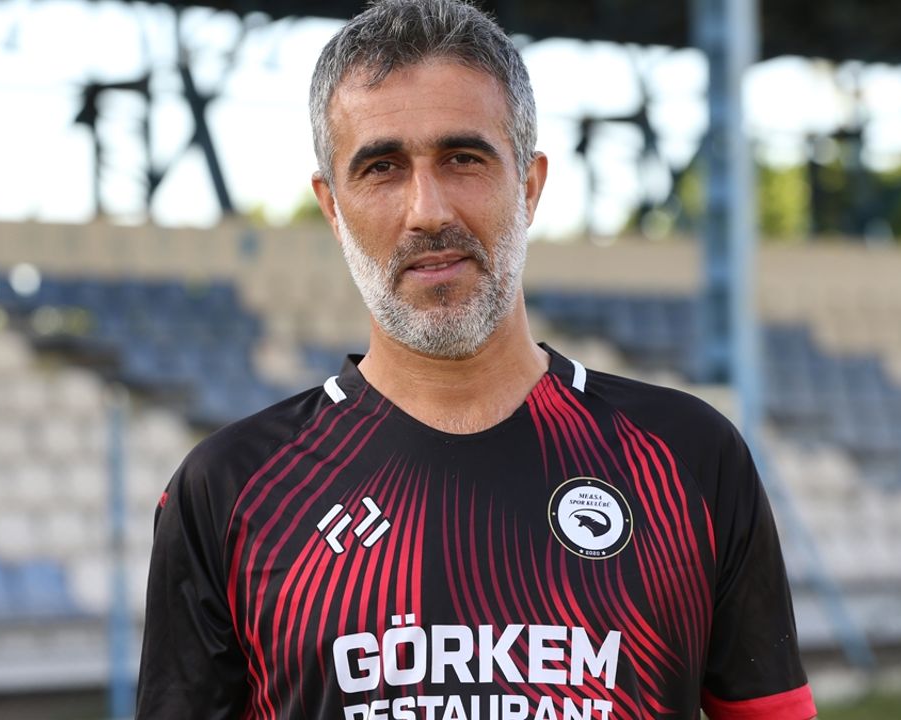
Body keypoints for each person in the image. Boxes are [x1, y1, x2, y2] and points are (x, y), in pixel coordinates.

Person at [136, 1, 817, 718]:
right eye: (381, 167)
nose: (427, 211)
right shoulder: (229, 490)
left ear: (530, 185)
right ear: (332, 207)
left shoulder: (688, 459)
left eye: (463, 159)